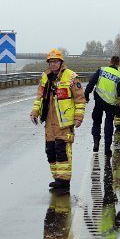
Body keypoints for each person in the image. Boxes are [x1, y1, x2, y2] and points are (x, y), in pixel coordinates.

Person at [29, 49, 86, 190]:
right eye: (51, 62)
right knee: (50, 150)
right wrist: (34, 112)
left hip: (64, 122)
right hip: (49, 121)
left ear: (61, 62)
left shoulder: (71, 77)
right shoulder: (45, 77)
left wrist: (79, 117)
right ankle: (57, 178)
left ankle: (64, 181)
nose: (53, 64)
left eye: (56, 61)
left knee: (62, 150)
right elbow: (39, 97)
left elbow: (80, 99)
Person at [85, 56, 120, 156]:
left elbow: (91, 83)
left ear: (110, 62)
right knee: (108, 124)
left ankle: (96, 142)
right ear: (118, 64)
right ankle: (107, 149)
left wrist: (86, 95)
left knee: (96, 121)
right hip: (110, 105)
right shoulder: (119, 76)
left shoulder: (101, 70)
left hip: (99, 101)